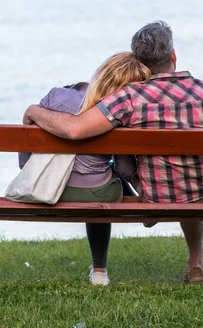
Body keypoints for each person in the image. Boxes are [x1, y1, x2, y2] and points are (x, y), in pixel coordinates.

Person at [23, 21, 203, 283]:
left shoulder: (129, 97)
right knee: (192, 168)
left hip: (159, 196)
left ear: (138, 62)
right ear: (173, 56)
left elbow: (75, 130)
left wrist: (34, 111)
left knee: (168, 173)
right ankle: (195, 263)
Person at [19, 52, 150, 286]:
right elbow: (123, 166)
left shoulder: (55, 97)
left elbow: (27, 151)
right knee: (106, 183)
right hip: (96, 194)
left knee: (102, 178)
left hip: (48, 190)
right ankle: (99, 271)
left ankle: (141, 210)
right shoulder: (121, 111)